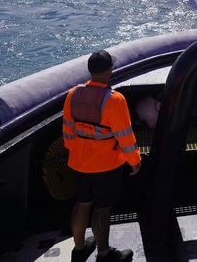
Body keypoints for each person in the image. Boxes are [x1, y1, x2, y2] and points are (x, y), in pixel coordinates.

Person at [62, 50, 141, 262]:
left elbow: (68, 131)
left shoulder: (73, 94)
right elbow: (125, 136)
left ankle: (79, 249)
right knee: (102, 209)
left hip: (79, 162)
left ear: (90, 70)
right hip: (106, 166)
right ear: (109, 71)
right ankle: (104, 254)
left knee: (82, 203)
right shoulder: (115, 99)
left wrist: (76, 151)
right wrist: (134, 160)